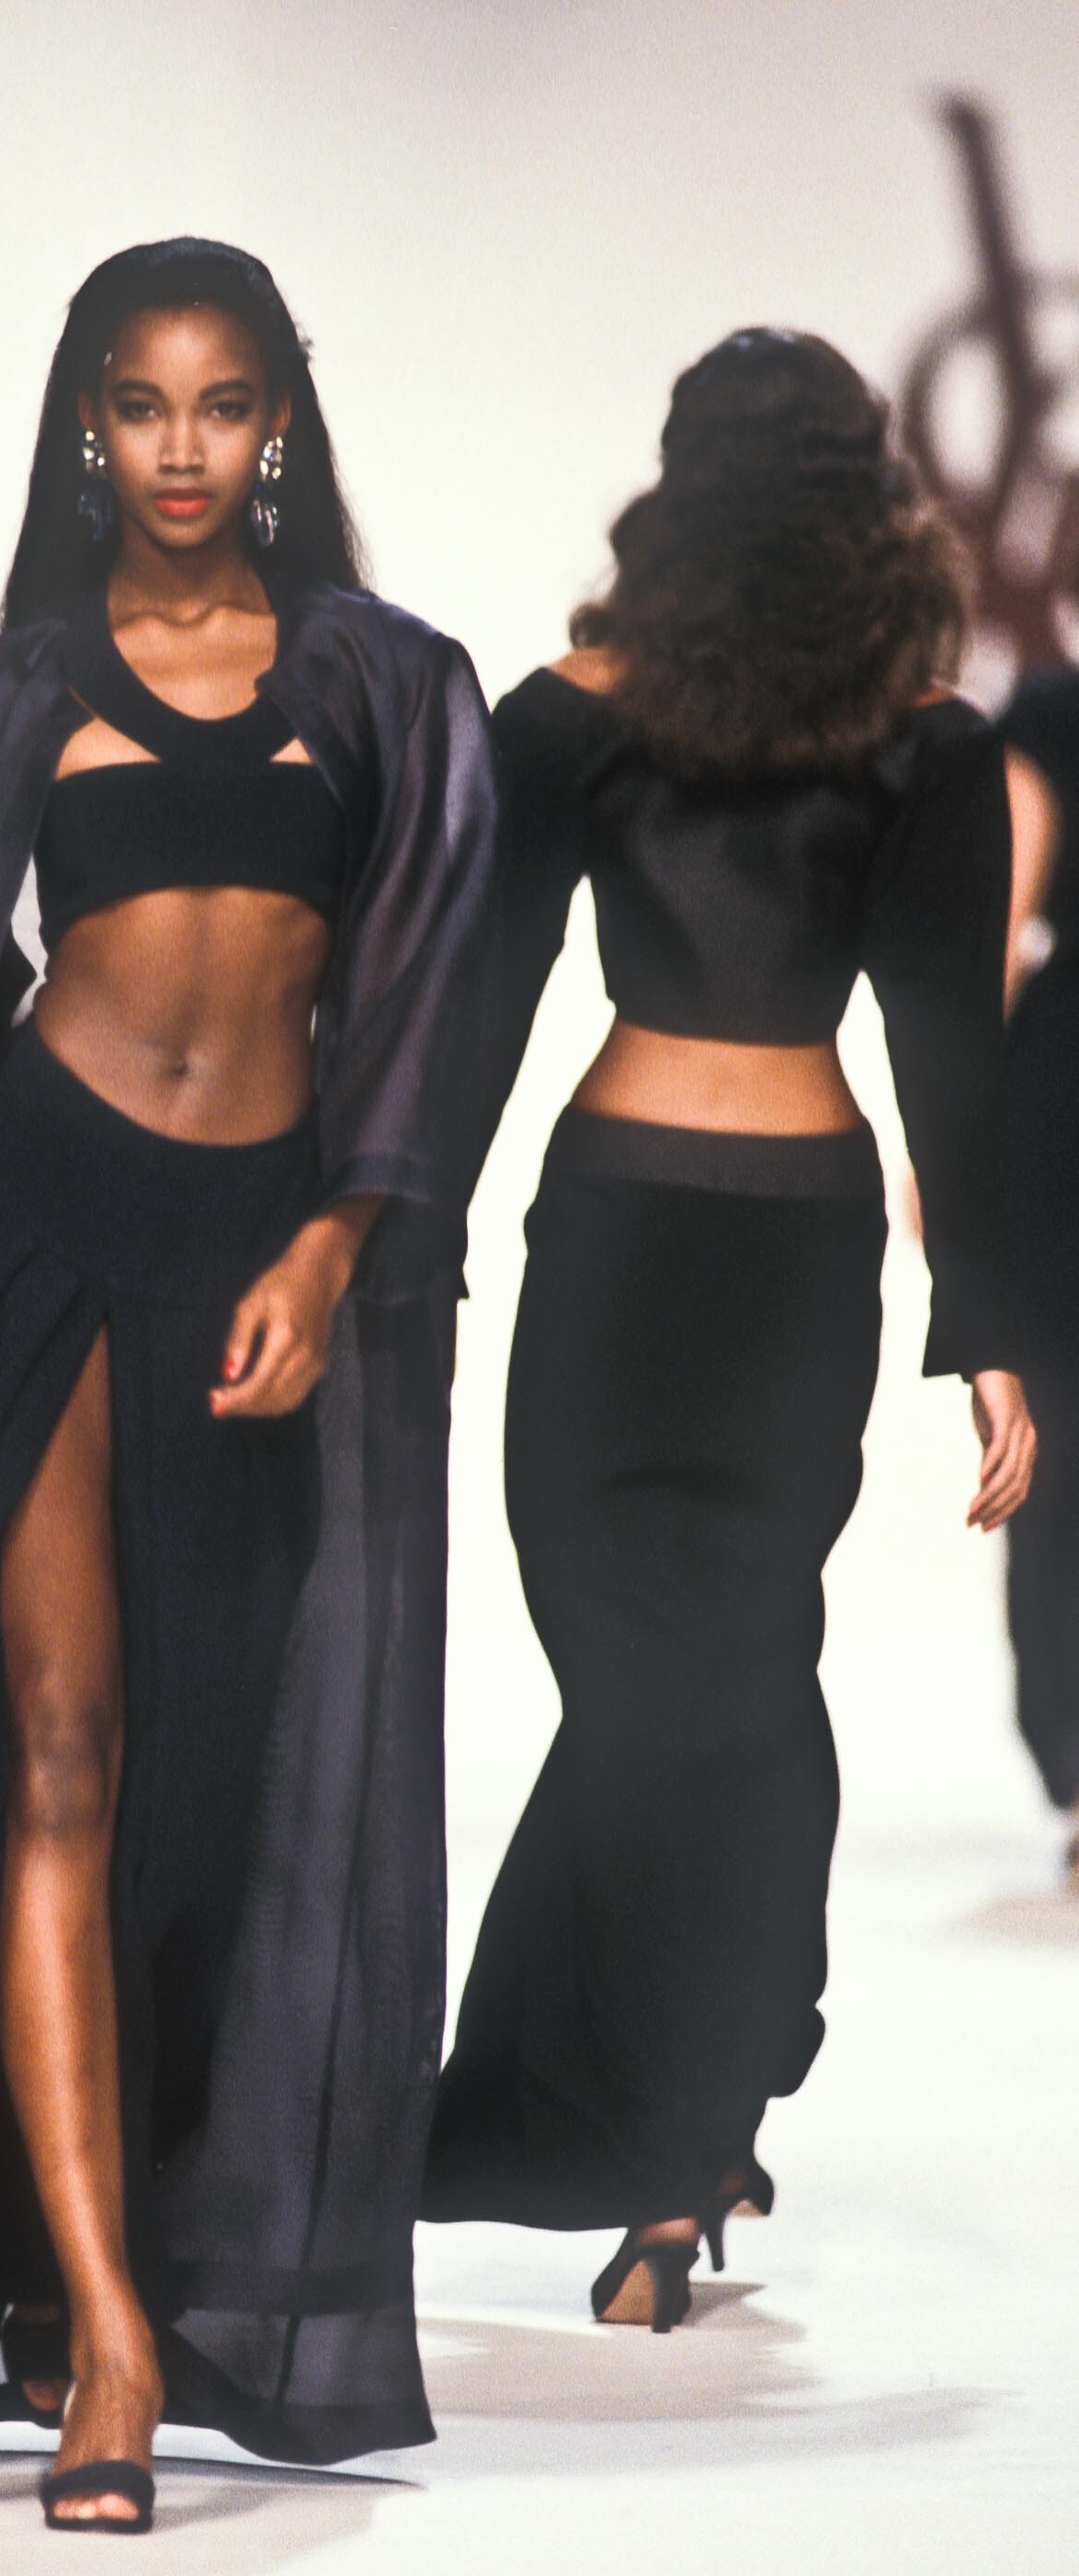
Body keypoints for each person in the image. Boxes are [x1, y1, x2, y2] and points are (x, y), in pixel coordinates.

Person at [0, 238, 494, 2531]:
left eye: (220, 404)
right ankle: (111, 2345)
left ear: (279, 423)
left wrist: (330, 1247)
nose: (178, 446)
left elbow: (426, 1007)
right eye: (137, 404)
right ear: (83, 425)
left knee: (207, 1790)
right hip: (25, 1241)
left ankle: (70, 2250)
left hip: (253, 1259)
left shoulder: (390, 686)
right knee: (57, 1752)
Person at [422, 331, 1036, 2332]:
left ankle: (673, 2138)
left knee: (696, 1679)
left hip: (635, 1243)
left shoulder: (595, 715)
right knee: (700, 1680)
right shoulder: (898, 741)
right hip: (767, 1252)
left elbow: (485, 1008)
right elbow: (943, 1060)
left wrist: (994, 1330)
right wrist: (392, 1247)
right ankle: (712, 2076)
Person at [994, 666, 1079, 1878]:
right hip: (1057, 1121)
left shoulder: (1052, 716)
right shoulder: (1051, 715)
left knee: (1059, 1446)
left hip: (1053, 1109)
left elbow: (996, 926)